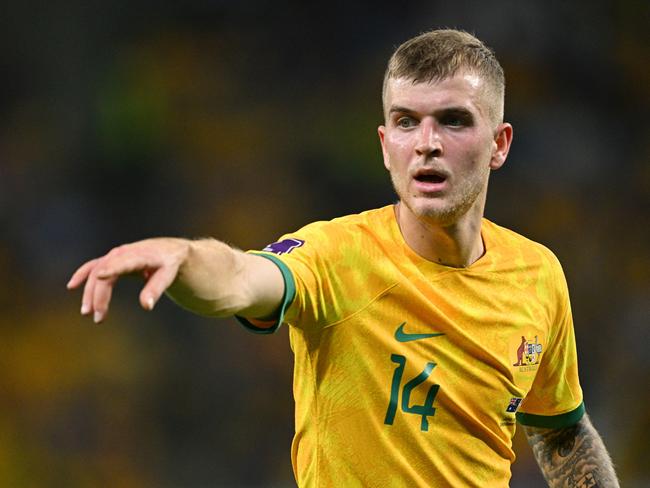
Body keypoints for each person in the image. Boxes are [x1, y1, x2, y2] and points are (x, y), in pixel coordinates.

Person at [68, 29, 619, 487]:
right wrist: (186, 256)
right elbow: (242, 279)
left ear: (499, 144)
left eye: (452, 120)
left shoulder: (538, 274)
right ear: (384, 145)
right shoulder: (339, 254)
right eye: (406, 121)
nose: (425, 142)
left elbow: (560, 430)